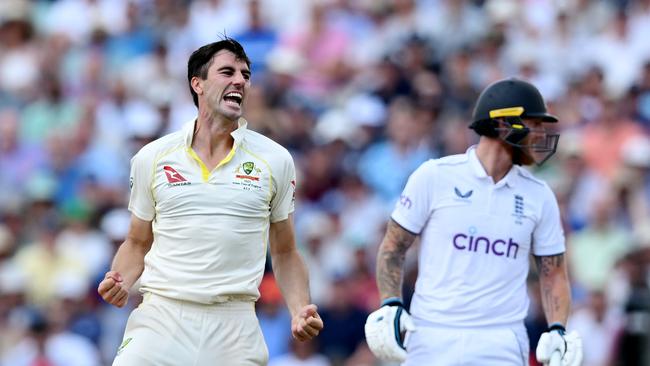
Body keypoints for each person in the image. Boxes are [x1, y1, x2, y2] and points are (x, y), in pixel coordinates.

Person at [97, 38, 323, 365]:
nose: (240, 81)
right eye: (227, 72)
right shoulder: (153, 157)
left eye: (245, 75)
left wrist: (300, 308)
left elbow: (285, 251)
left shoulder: (275, 159)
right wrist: (119, 278)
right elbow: (137, 241)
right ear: (197, 84)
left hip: (235, 325)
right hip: (162, 317)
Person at [364, 78, 583, 365]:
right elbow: (393, 246)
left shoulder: (539, 195)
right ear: (504, 124)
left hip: (501, 340)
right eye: (535, 124)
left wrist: (558, 328)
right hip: (431, 333)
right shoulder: (435, 176)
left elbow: (554, 273)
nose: (541, 134)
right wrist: (390, 303)